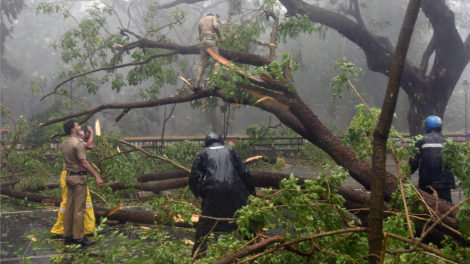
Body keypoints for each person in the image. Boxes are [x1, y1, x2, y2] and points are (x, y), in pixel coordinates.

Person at [189, 132, 256, 258]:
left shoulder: (203, 153)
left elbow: (193, 177)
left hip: (212, 191)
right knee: (245, 222)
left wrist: (197, 194)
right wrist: (252, 193)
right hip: (236, 189)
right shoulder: (230, 150)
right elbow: (244, 172)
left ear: (207, 143)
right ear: (221, 141)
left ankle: (198, 257)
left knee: (204, 228)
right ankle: (255, 251)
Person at [60, 120, 103, 246]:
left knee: (69, 208)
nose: (80, 127)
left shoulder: (63, 143)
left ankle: (67, 236)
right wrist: (97, 176)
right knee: (79, 209)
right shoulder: (78, 143)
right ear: (73, 130)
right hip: (78, 178)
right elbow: (84, 163)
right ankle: (79, 237)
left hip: (68, 177)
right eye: (77, 125)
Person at [51, 126, 96, 239]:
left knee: (86, 202)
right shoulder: (75, 141)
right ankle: (61, 230)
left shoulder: (71, 141)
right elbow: (89, 146)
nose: (86, 139)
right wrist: (92, 133)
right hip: (72, 174)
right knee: (68, 203)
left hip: (75, 174)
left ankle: (88, 229)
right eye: (86, 136)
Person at [409, 116, 456, 203]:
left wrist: (407, 172)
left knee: (424, 204)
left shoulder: (421, 140)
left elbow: (414, 160)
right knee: (447, 206)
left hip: (426, 179)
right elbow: (455, 160)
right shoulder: (448, 141)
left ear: (427, 125)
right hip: (444, 181)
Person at [193, 14, 224, 92]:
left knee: (202, 64)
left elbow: (200, 34)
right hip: (211, 41)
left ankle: (197, 84)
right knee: (217, 61)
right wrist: (220, 37)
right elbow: (216, 27)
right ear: (211, 15)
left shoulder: (200, 21)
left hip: (202, 42)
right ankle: (215, 82)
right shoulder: (213, 17)